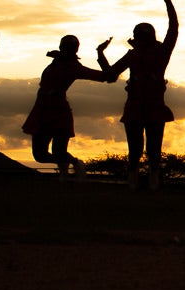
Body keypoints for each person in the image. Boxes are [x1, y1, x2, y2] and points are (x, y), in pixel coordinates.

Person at [101, 0, 179, 191]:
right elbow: (110, 75)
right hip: (135, 104)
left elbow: (174, 28)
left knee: (154, 147)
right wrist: (101, 55)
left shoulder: (162, 52)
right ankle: (133, 176)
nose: (141, 38)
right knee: (135, 147)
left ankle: (153, 177)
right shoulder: (132, 54)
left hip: (154, 105)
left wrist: (168, 1)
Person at [23, 34, 116, 182]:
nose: (66, 50)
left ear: (74, 50)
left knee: (59, 151)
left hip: (59, 112)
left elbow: (109, 77)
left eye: (70, 48)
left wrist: (100, 53)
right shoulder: (56, 61)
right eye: (65, 47)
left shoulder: (74, 67)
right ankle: (68, 164)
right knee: (39, 155)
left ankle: (74, 164)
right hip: (42, 110)